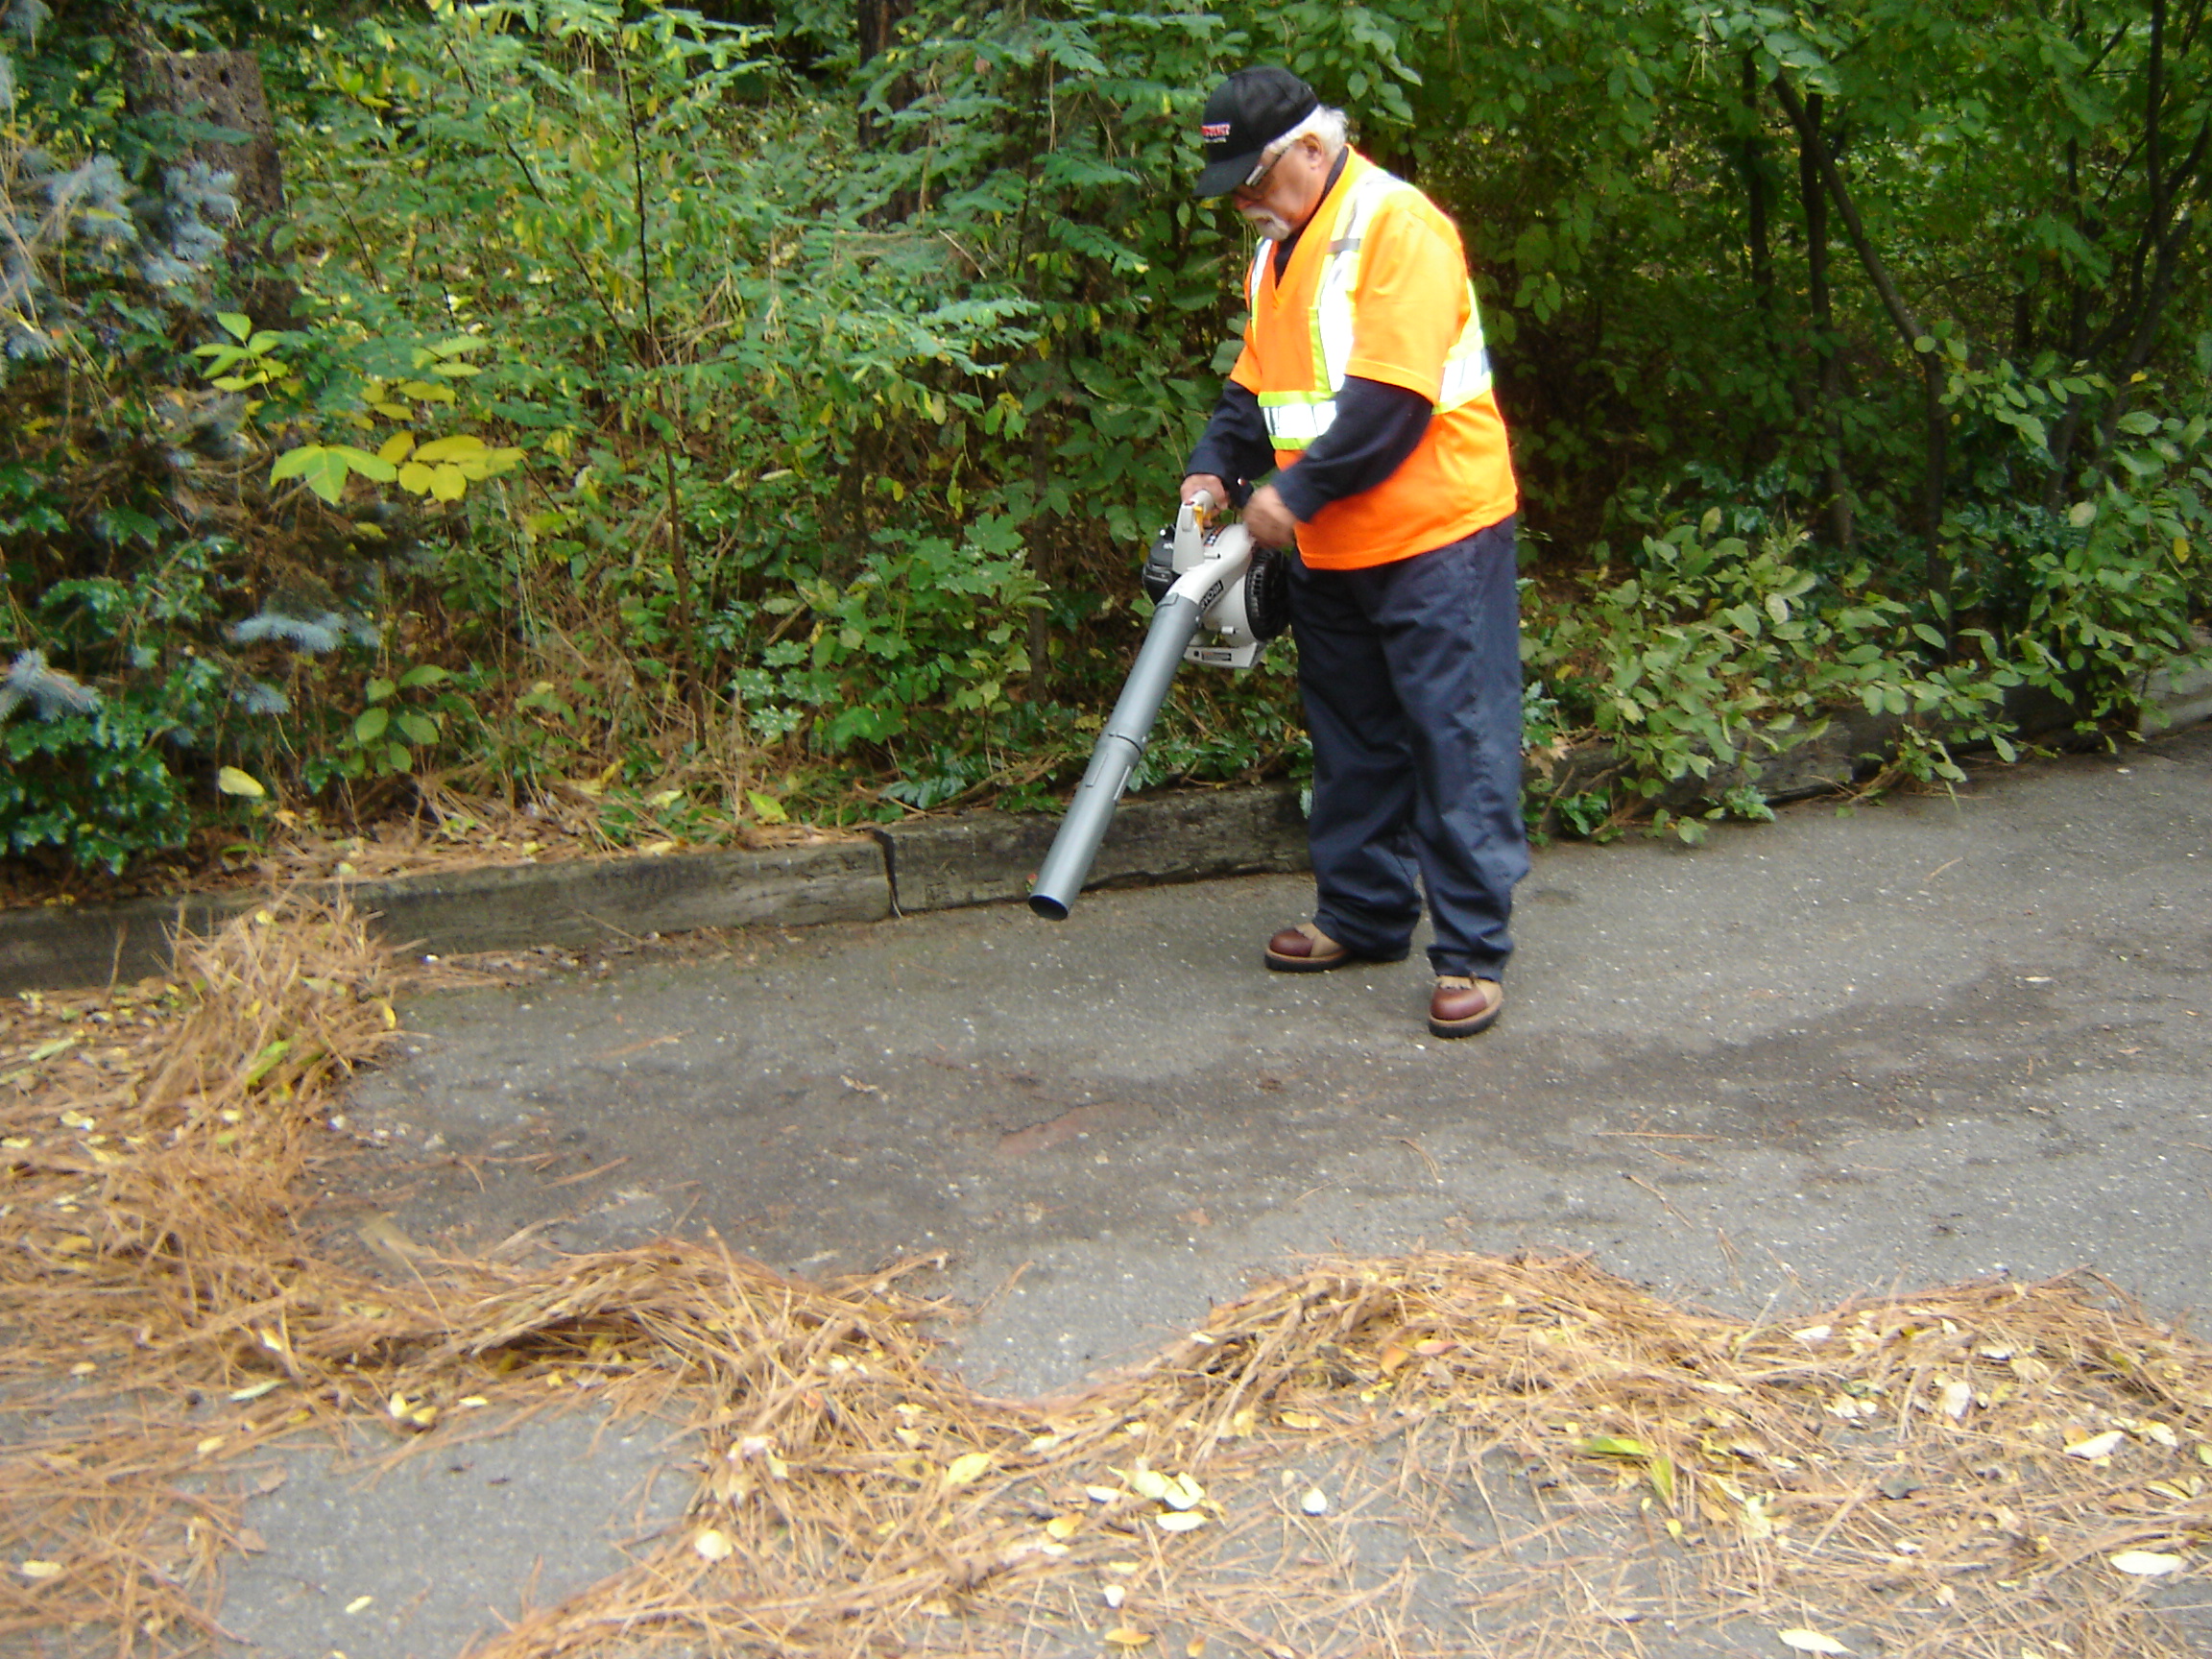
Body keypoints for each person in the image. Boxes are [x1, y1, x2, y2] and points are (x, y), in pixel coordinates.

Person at [1179, 65, 1527, 1039]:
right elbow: (1257, 389)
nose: (1244, 201)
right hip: (1331, 548)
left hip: (1435, 538)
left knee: (1454, 738)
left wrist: (1290, 493)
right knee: (1353, 743)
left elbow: (1392, 403)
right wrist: (1215, 470)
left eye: (1254, 178)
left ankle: (1469, 954)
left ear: (1311, 150)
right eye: (1234, 186)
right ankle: (1365, 916)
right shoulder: (1277, 250)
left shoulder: (1396, 227)